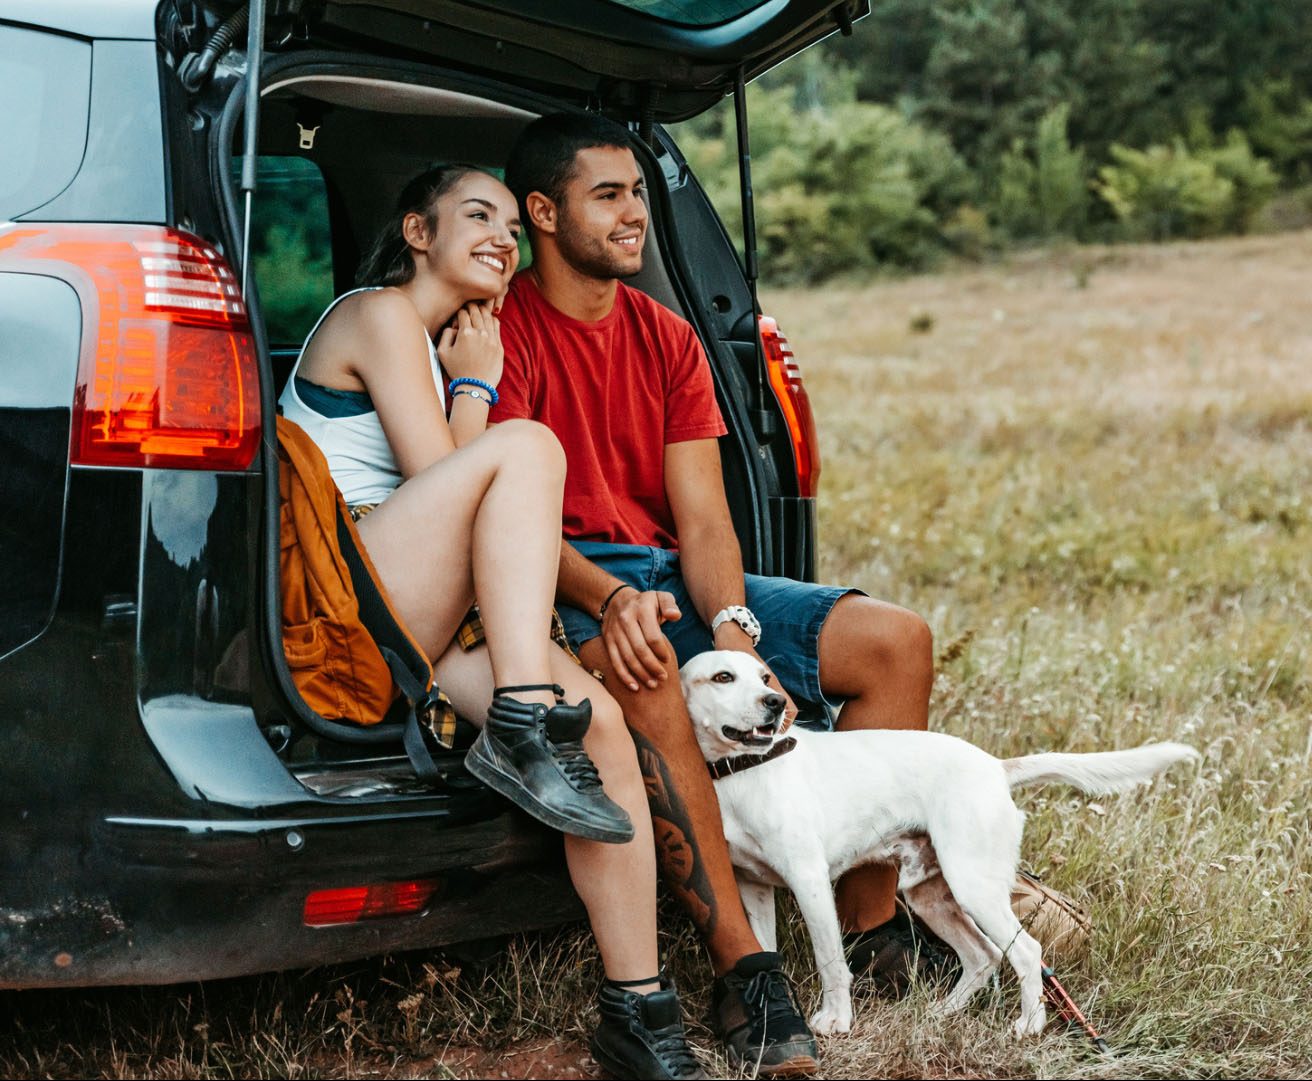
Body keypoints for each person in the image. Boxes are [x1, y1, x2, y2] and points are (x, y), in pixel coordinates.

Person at [490, 114, 947, 1075]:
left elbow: (702, 520)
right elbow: (506, 514)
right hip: (558, 577)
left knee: (893, 641)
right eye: (606, 195)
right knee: (657, 672)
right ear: (542, 212)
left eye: (638, 194)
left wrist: (734, 623)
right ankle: (749, 969)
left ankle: (864, 930)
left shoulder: (667, 336)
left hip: (668, 574)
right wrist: (611, 596)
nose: (634, 214)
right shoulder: (507, 332)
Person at [278, 164, 704, 1080]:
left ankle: (640, 1013)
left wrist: (468, 370)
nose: (504, 238)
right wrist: (477, 383)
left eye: (513, 224)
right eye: (478, 216)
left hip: (415, 600)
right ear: (417, 231)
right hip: (344, 588)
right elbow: (444, 476)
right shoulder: (380, 313)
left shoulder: (441, 343)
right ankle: (519, 722)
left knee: (602, 732)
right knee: (530, 443)